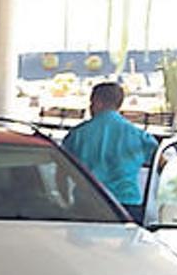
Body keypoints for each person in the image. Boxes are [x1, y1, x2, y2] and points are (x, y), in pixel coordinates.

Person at [61, 82, 159, 222]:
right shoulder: (138, 135)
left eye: (91, 102)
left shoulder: (77, 135)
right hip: (127, 204)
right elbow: (163, 163)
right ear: (119, 104)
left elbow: (62, 171)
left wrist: (65, 202)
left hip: (87, 204)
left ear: (97, 102)